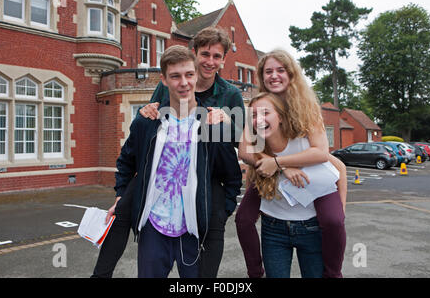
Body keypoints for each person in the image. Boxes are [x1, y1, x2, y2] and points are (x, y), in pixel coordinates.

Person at [95, 45, 241, 278]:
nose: (183, 83)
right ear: (163, 79)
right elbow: (125, 162)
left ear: (196, 75)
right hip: (154, 227)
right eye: (175, 76)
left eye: (189, 75)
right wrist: (121, 195)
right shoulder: (148, 121)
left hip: (193, 230)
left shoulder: (212, 125)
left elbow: (232, 177)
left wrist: (222, 212)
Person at [137, 26, 245, 277]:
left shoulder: (230, 94)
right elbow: (153, 124)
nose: (210, 61)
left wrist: (227, 123)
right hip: (167, 189)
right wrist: (147, 110)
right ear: (194, 53)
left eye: (217, 56)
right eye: (205, 54)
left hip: (207, 193)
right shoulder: (170, 85)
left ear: (223, 60)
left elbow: (245, 141)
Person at [236, 49, 347, 278]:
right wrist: (282, 167)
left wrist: (279, 162)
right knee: (243, 218)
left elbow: (322, 154)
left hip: (311, 177)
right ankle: (255, 272)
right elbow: (246, 149)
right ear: (261, 76)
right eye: (268, 71)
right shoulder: (259, 107)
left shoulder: (307, 107)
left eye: (280, 70)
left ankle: (333, 273)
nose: (274, 76)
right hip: (268, 172)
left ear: (292, 73)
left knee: (334, 220)